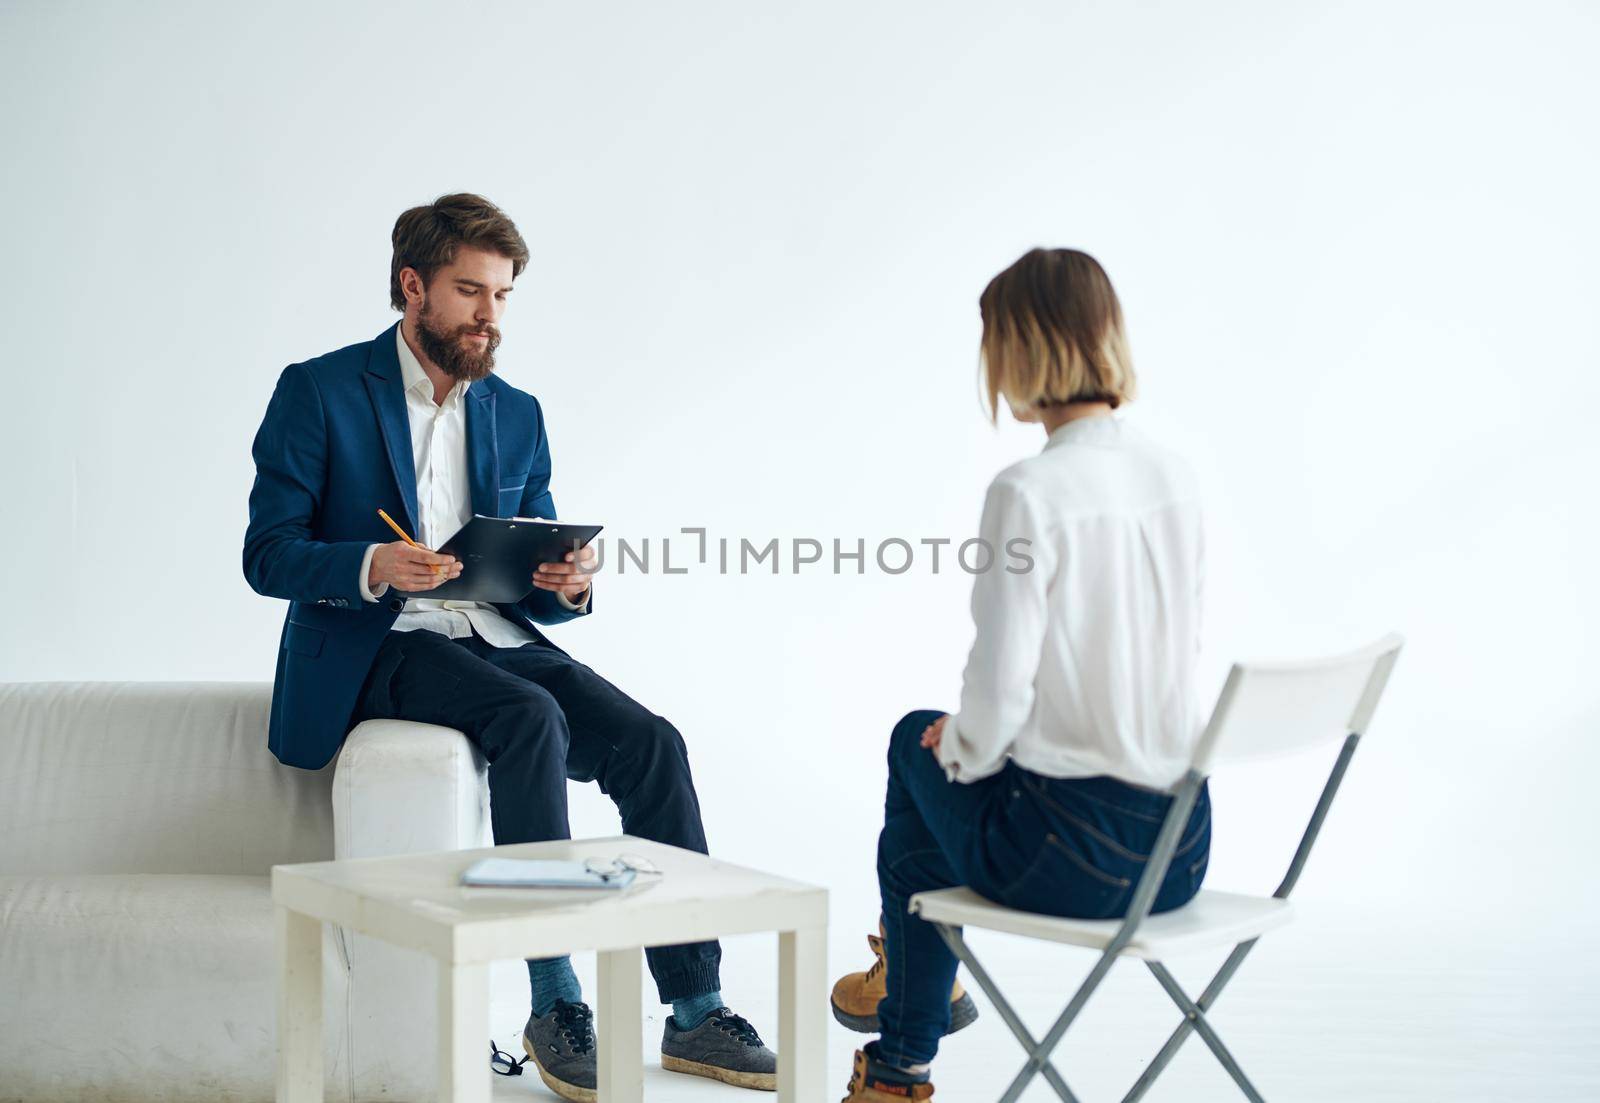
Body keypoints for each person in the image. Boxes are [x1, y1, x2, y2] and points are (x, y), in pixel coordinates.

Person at [243, 194, 776, 1100]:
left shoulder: (517, 411)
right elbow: (268, 552)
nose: (490, 314)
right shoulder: (320, 389)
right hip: (381, 640)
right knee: (528, 719)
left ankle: (696, 1009)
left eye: (503, 294)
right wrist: (373, 560)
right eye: (469, 291)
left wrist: (564, 582)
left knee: (655, 743)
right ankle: (553, 998)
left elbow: (524, 558)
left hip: (492, 630)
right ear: (412, 287)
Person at [831, 249, 1213, 1101]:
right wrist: (971, 745)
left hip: (1074, 856)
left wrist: (956, 748)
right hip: (1181, 848)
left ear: (1018, 349)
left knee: (913, 759)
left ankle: (907, 1034)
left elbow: (998, 695)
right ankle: (916, 993)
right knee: (935, 774)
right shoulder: (1173, 476)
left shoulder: (1031, 489)